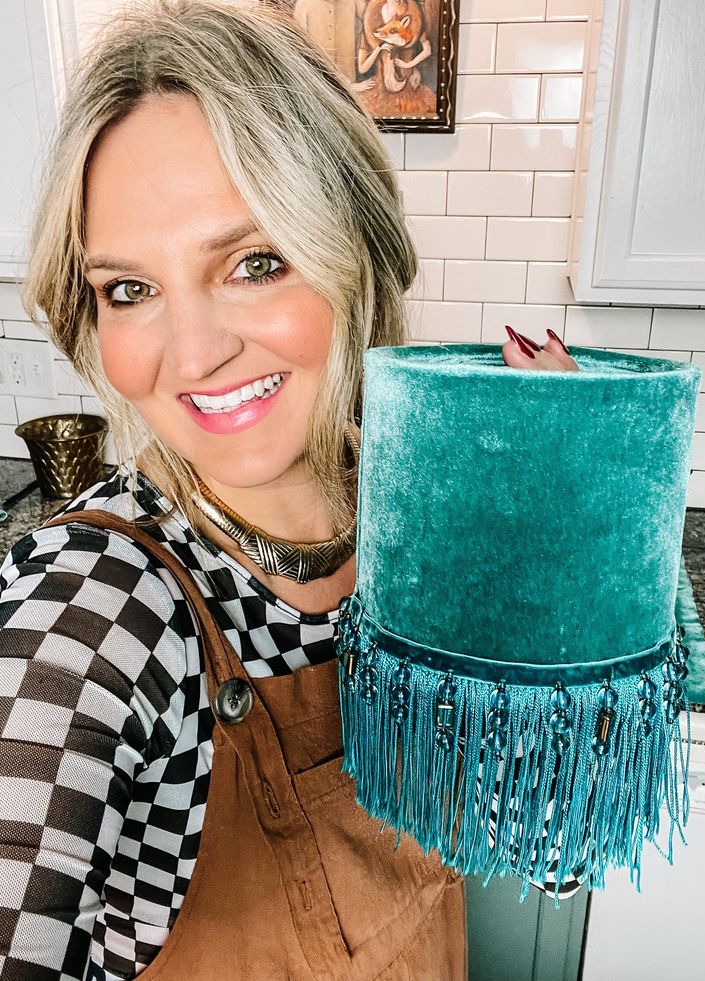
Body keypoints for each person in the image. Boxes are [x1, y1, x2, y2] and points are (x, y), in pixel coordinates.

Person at [0, 1, 582, 977]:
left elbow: (543, 849)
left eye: (254, 263)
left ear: (353, 255)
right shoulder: (95, 603)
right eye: (129, 289)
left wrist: (554, 530)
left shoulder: (414, 527)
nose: (192, 355)